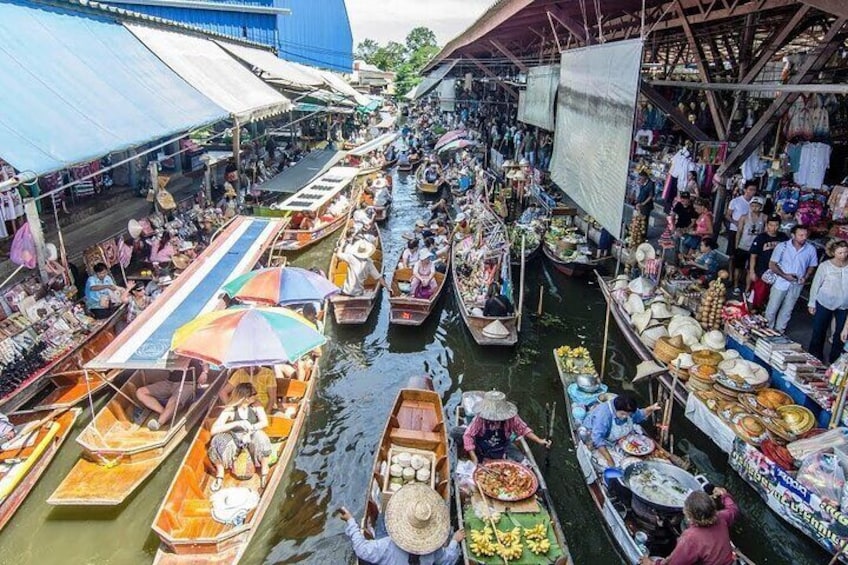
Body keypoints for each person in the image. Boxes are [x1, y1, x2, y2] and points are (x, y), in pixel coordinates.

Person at [339, 483, 464, 565]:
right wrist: (454, 541)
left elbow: (361, 549)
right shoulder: (433, 552)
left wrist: (351, 521)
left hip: (387, 554)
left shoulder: (387, 546)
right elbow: (448, 559)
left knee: (383, 517)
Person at [640, 488, 739, 565]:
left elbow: (673, 563)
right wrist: (724, 495)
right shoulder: (721, 517)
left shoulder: (691, 538)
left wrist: (652, 563)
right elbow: (733, 509)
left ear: (689, 515)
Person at [207, 383, 272, 491]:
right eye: (253, 394)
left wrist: (251, 428)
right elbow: (214, 430)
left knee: (262, 437)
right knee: (217, 441)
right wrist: (236, 423)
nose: (256, 396)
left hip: (251, 436)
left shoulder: (256, 405)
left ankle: (264, 470)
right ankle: (220, 473)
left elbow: (264, 422)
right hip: (235, 440)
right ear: (245, 398)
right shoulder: (231, 410)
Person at [462, 391, 550, 463]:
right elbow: (468, 435)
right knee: (457, 433)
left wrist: (540, 441)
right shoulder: (480, 419)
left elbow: (523, 429)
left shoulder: (511, 418)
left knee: (522, 461)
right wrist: (473, 457)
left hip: (503, 446)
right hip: (482, 446)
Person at [579, 394, 661, 467]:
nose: (626, 417)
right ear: (615, 409)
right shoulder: (604, 415)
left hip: (618, 439)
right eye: (622, 414)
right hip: (597, 437)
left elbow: (639, 415)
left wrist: (651, 408)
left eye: (629, 414)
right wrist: (610, 460)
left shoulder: (628, 410)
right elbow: (597, 439)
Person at [765, 225, 818, 332]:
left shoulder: (811, 249)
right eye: (801, 235)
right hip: (780, 282)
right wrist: (785, 275)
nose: (804, 237)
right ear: (793, 235)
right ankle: (766, 329)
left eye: (805, 235)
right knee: (772, 308)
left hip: (797, 284)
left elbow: (812, 265)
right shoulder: (782, 246)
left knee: (787, 310)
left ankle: (779, 331)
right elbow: (772, 264)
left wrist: (806, 276)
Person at [136, 360, 208, 431]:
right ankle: (164, 413)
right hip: (169, 382)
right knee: (140, 392)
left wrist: (204, 372)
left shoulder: (196, 352)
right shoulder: (172, 353)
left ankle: (159, 422)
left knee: (174, 400)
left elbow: (205, 363)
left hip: (188, 383)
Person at [808, 240, 848, 362]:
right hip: (824, 302)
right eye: (840, 252)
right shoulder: (825, 266)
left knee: (841, 334)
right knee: (819, 331)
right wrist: (811, 302)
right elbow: (816, 284)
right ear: (833, 252)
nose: (843, 255)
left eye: (846, 252)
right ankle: (814, 357)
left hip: (844, 305)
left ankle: (835, 360)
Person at [748, 215, 788, 311]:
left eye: (776, 225)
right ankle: (752, 311)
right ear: (767, 225)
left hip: (777, 270)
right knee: (758, 293)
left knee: (771, 294)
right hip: (762, 270)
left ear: (779, 226)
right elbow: (753, 256)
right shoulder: (761, 238)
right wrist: (752, 271)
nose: (773, 228)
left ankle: (763, 311)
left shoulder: (783, 238)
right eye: (771, 225)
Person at [734, 196, 766, 293]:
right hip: (743, 246)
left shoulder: (764, 217)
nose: (754, 208)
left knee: (750, 269)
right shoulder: (744, 217)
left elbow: (764, 234)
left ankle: (747, 289)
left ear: (761, 207)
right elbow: (739, 231)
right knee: (738, 267)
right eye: (753, 205)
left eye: (757, 206)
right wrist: (736, 245)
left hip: (755, 248)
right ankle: (736, 286)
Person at [725, 183, 756, 280]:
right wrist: (736, 223)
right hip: (734, 230)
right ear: (745, 189)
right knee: (732, 254)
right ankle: (730, 276)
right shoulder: (736, 201)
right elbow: (727, 215)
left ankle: (739, 277)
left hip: (748, 233)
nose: (752, 192)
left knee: (744, 256)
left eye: (754, 190)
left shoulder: (755, 203)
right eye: (750, 189)